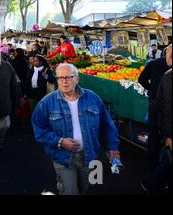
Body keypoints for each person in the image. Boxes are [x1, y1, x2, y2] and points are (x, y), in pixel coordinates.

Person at [32, 63, 120, 195]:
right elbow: (39, 130)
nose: (64, 81)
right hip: (63, 157)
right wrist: (60, 141)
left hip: (90, 154)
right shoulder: (46, 103)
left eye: (68, 77)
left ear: (77, 79)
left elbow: (107, 124)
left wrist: (113, 148)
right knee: (70, 191)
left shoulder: (92, 98)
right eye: (60, 78)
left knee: (88, 187)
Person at [142, 44, 172, 194]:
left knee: (154, 137)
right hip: (161, 107)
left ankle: (153, 170)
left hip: (155, 104)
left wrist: (151, 90)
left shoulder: (154, 64)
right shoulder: (168, 74)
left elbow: (141, 80)